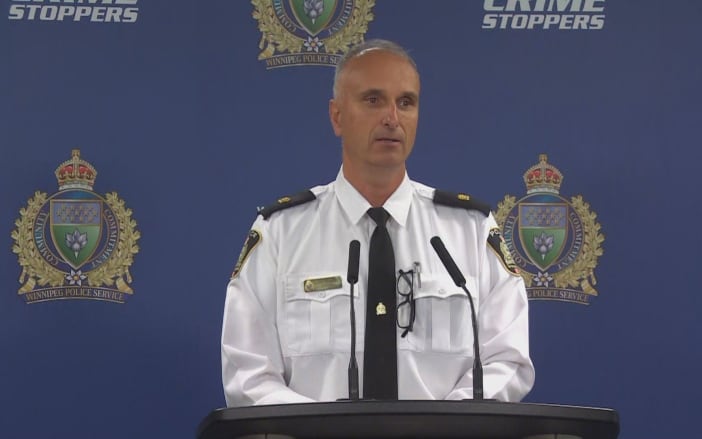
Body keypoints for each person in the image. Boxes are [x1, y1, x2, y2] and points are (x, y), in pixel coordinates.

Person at [221, 39, 534, 405]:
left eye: (406, 102)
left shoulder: (470, 230)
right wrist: (326, 433)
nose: (392, 118)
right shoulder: (281, 233)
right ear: (337, 116)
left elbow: (506, 361)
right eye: (373, 100)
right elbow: (248, 374)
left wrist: (439, 429)